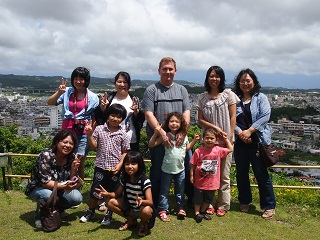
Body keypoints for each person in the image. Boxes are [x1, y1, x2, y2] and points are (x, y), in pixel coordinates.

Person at [142, 57, 192, 207]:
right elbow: (148, 113)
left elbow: (187, 112)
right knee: (157, 170)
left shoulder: (182, 89)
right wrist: (162, 133)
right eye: (164, 69)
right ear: (159, 71)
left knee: (187, 167)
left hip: (179, 138)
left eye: (170, 69)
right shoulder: (152, 90)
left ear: (175, 71)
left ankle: (188, 200)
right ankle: (156, 202)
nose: (168, 72)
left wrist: (183, 132)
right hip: (158, 138)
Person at [233, 68, 276, 219]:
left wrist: (249, 131)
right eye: (242, 80)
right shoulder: (235, 99)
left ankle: (269, 206)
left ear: (254, 82)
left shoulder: (261, 97)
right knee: (241, 174)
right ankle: (244, 201)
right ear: (238, 83)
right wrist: (240, 132)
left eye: (248, 80)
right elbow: (232, 119)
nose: (245, 83)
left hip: (257, 142)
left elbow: (265, 116)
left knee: (261, 174)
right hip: (240, 142)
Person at [197, 65, 239, 217]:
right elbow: (200, 119)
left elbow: (233, 117)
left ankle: (223, 204)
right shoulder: (202, 97)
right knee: (209, 174)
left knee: (224, 175)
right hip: (209, 143)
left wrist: (230, 135)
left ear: (221, 78)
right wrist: (215, 127)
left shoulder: (228, 94)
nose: (214, 79)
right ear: (207, 78)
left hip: (225, 142)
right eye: (211, 76)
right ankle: (209, 204)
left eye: (217, 76)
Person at [79, 103, 130, 225]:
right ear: (108, 115)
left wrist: (120, 165)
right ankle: (91, 211)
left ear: (122, 119)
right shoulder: (99, 129)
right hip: (101, 166)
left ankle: (109, 213)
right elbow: (93, 146)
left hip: (115, 168)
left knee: (112, 192)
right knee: (95, 190)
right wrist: (90, 134)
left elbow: (125, 151)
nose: (115, 119)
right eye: (113, 115)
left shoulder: (123, 133)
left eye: (119, 117)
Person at [47, 67, 99, 180]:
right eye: (76, 78)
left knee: (79, 161)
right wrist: (59, 92)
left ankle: (76, 188)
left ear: (86, 80)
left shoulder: (93, 97)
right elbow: (50, 102)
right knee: (62, 158)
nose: (78, 81)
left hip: (83, 132)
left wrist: (91, 132)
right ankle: (61, 184)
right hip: (67, 131)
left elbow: (95, 116)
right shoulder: (67, 92)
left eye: (81, 79)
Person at [25, 129, 83, 229]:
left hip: (59, 188)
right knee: (48, 194)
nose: (68, 145)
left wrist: (74, 169)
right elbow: (45, 183)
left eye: (71, 143)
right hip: (38, 188)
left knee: (76, 198)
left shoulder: (71, 157)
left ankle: (58, 209)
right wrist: (65, 185)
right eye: (65, 142)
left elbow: (72, 179)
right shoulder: (46, 155)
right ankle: (39, 216)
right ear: (57, 142)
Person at [148, 112, 200, 221]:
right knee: (164, 191)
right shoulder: (166, 136)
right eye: (172, 121)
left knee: (180, 190)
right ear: (168, 123)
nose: (174, 124)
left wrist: (194, 141)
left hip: (180, 169)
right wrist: (156, 133)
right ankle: (162, 209)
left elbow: (186, 148)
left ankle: (181, 207)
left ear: (181, 124)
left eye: (177, 122)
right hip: (166, 169)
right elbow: (151, 144)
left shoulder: (183, 137)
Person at [97, 151, 155, 237]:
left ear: (139, 165)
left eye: (133, 164)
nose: (130, 167)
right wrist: (107, 194)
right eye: (127, 164)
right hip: (130, 208)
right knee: (109, 202)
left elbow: (150, 202)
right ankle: (131, 220)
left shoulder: (145, 181)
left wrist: (141, 201)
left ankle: (143, 224)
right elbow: (116, 194)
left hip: (142, 209)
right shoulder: (124, 179)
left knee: (146, 211)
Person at [190, 128, 233, 223]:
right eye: (207, 138)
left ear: (216, 140)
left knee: (208, 199)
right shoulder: (198, 151)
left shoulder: (218, 150)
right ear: (203, 139)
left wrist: (225, 139)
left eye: (212, 138)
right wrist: (191, 175)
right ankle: (197, 213)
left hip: (212, 182)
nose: (209, 140)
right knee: (198, 199)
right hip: (199, 181)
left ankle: (203, 211)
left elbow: (230, 149)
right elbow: (193, 164)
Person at [94, 71, 145, 151]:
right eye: (119, 82)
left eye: (125, 82)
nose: (122, 84)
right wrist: (102, 108)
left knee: (129, 163)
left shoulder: (134, 99)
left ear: (129, 84)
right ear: (115, 83)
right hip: (110, 140)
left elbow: (140, 120)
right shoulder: (109, 99)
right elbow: (99, 118)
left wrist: (136, 112)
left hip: (130, 140)